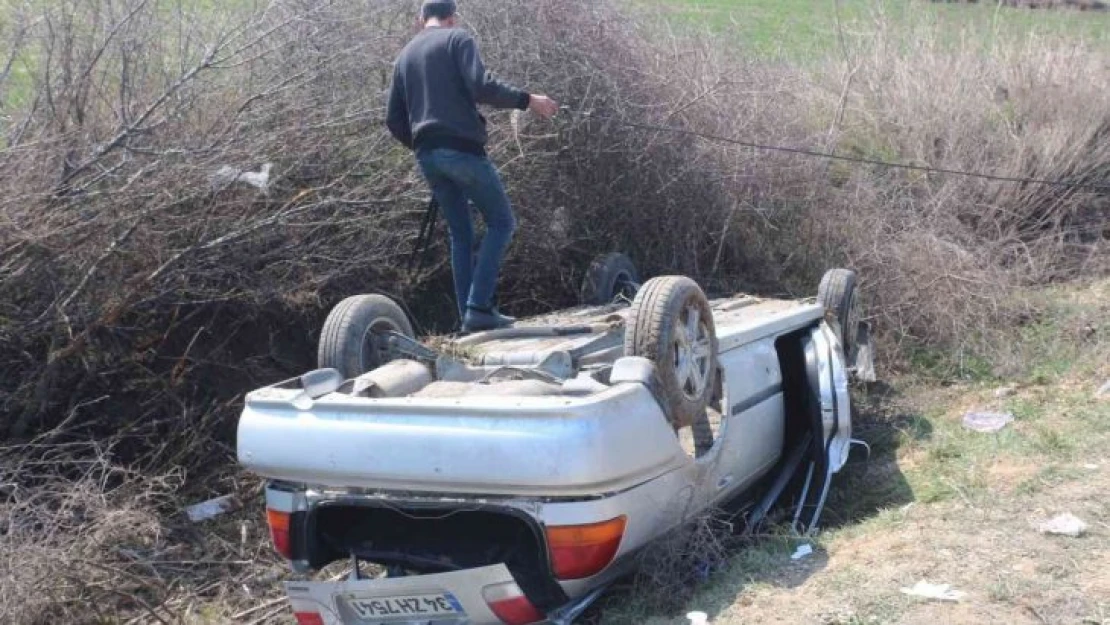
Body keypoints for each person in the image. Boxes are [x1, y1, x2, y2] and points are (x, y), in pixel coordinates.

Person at [386, 0, 559, 333]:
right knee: (502, 222)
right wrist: (529, 101)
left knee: (460, 233)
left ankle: (470, 319)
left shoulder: (403, 56)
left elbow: (393, 120)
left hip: (427, 155)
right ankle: (479, 307)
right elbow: (482, 86)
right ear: (452, 18)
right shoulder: (458, 39)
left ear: (421, 19)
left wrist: (424, 144)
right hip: (462, 150)